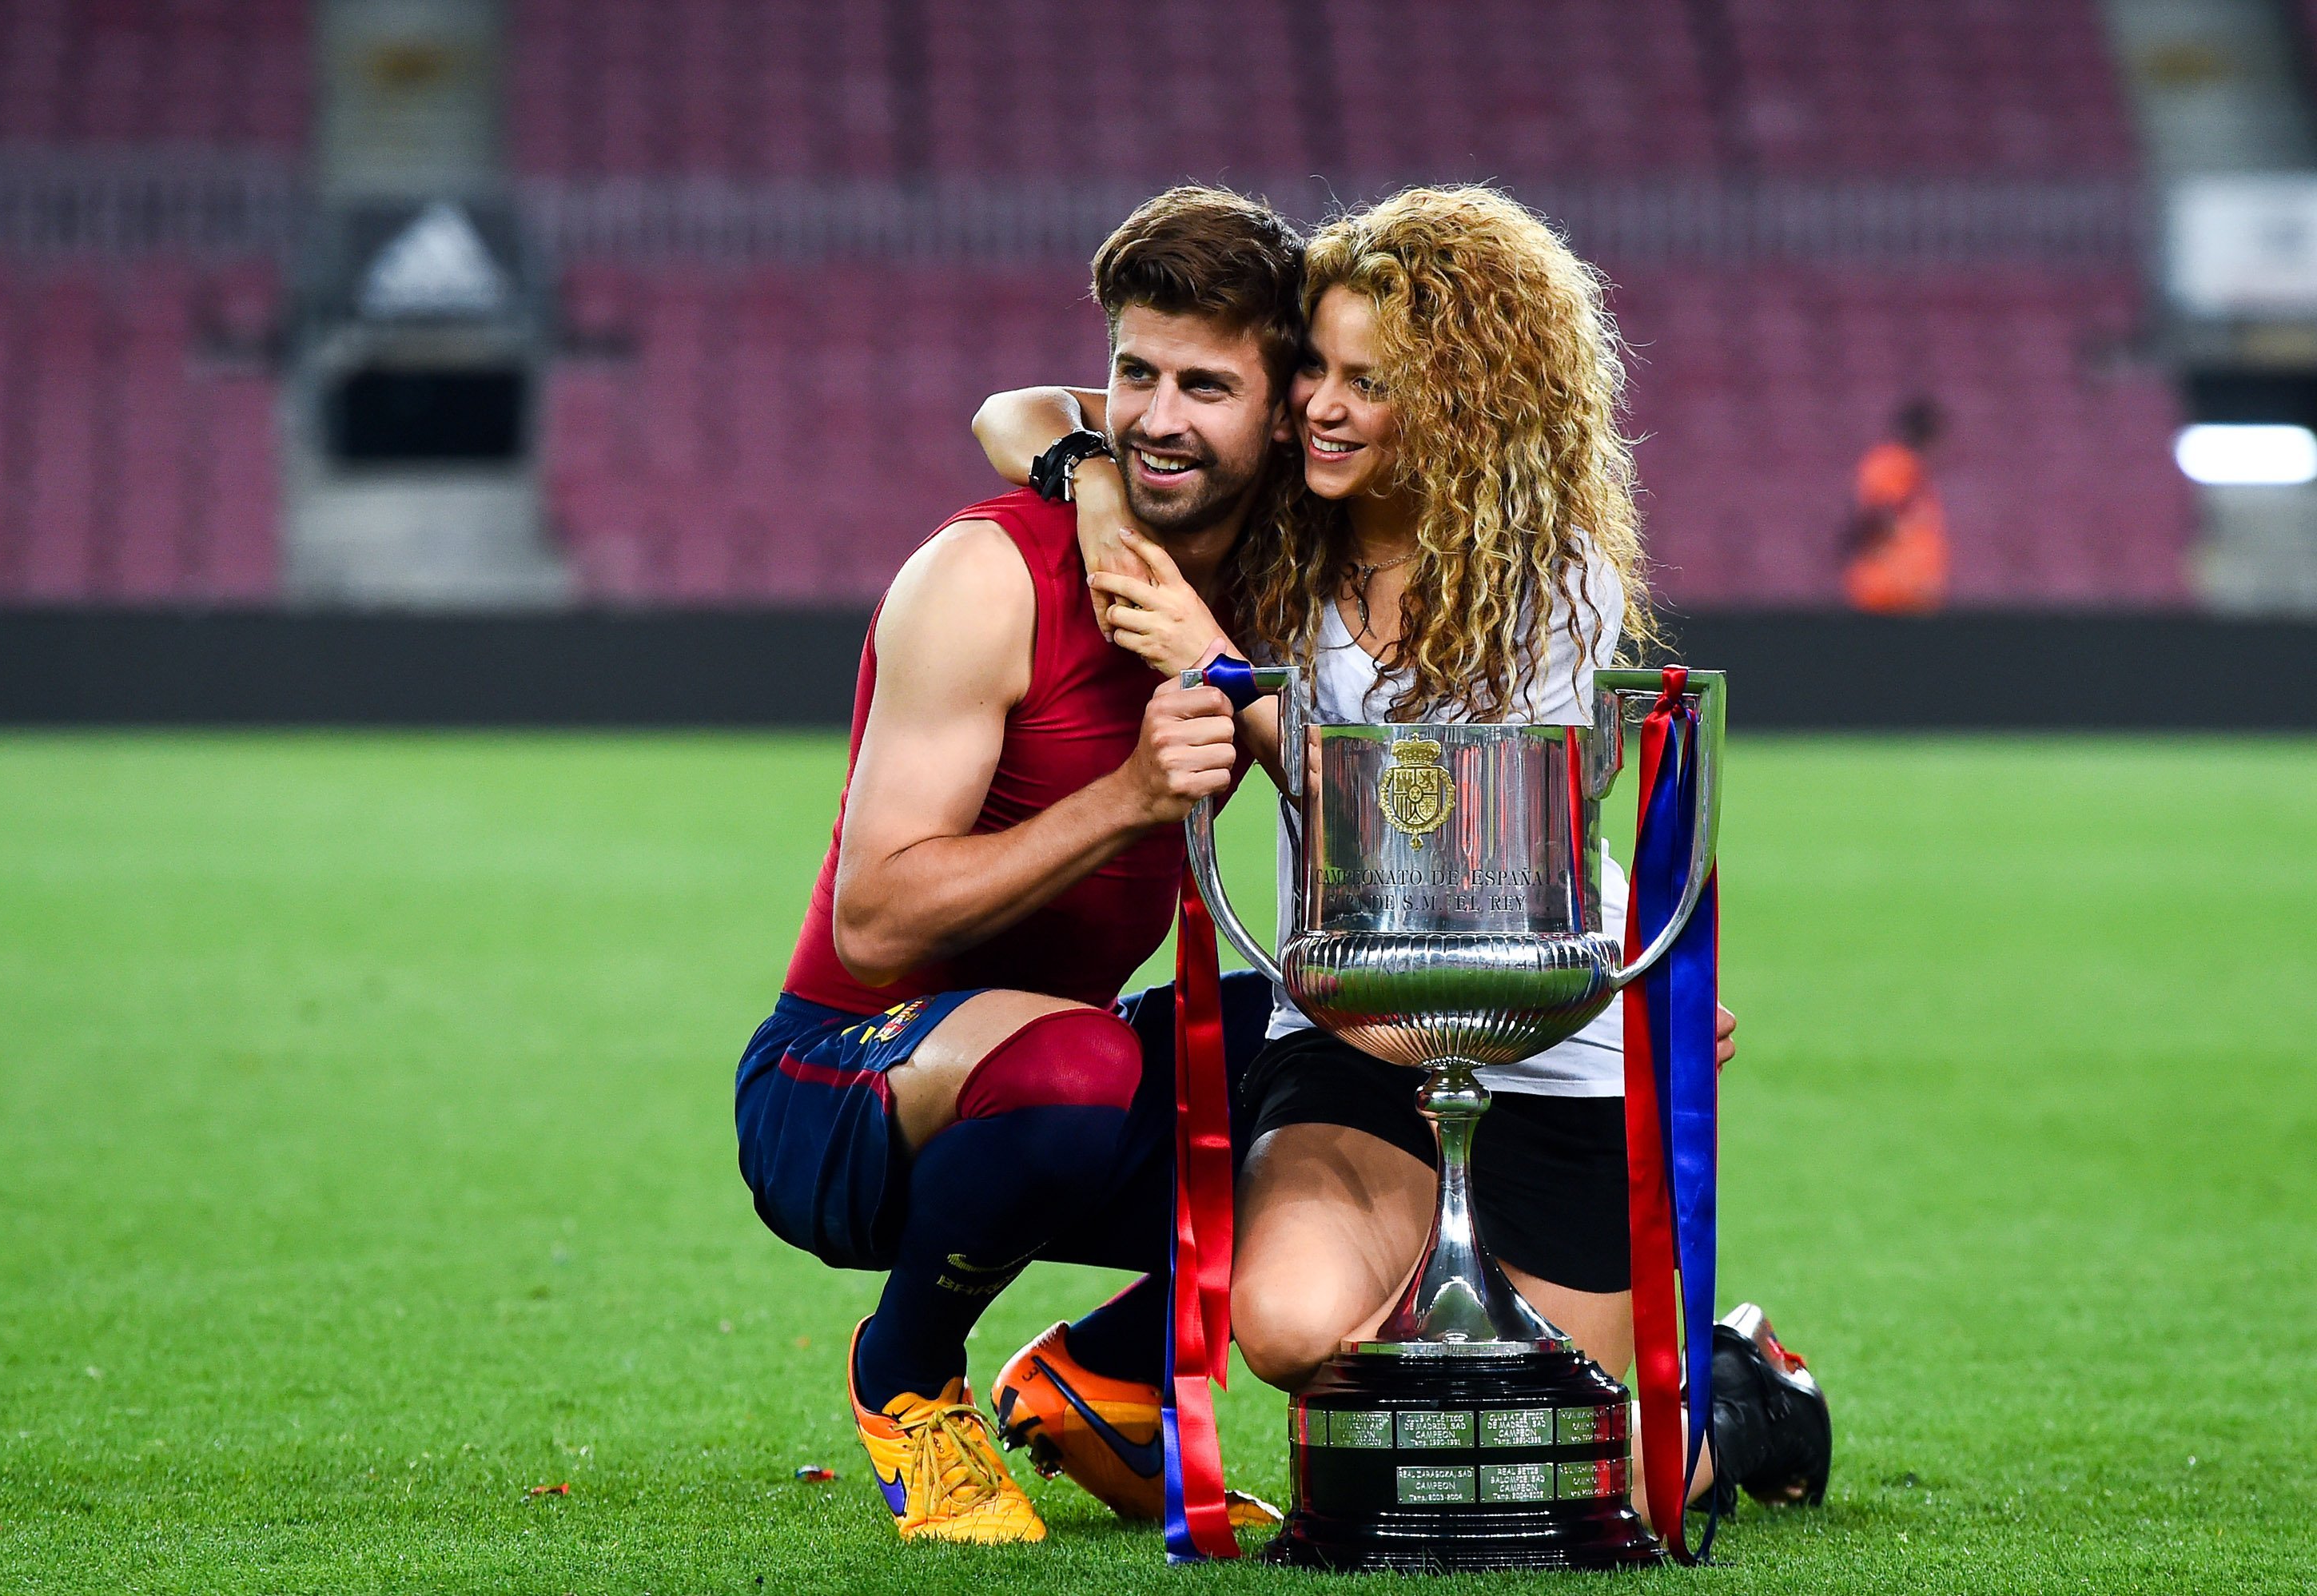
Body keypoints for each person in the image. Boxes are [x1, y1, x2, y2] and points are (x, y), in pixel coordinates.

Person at [973, 185, 1831, 1522]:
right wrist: (1091, 495)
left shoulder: (1551, 587)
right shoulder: (1277, 532)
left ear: (1462, 401)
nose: (1318, 403)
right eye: (1313, 362)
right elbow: (1018, 409)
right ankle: (1199, 1346)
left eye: (1370, 381)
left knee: (1620, 1480)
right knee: (1290, 1326)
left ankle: (1743, 1390)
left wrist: (1210, 656)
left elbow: (1411, 829)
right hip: (1358, 1024)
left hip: (1546, 1031)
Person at [735, 186, 1308, 1546]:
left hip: (1061, 1062)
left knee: (1369, 1069)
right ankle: (907, 1378)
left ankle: (1103, 1377)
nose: (1156, 416)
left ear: (1284, 410)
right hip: (841, 1085)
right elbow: (874, 919)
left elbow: (1390, 821)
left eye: (1206, 385)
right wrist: (1122, 799)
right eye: (1133, 372)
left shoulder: (1270, 589)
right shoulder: (988, 577)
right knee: (1078, 1067)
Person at [1842, 397, 1949, 614]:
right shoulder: (1893, 464)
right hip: (1889, 595)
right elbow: (1879, 515)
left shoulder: (1913, 471)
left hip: (1910, 597)